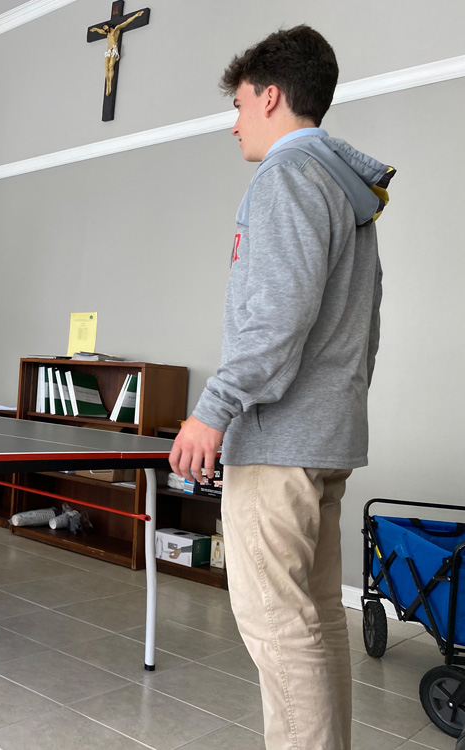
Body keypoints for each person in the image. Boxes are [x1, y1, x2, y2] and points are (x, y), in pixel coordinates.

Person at [169, 26, 395, 750]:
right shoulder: (345, 192)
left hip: (277, 447)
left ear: (271, 96)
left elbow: (272, 324)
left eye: (239, 104)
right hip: (325, 441)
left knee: (277, 626)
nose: (234, 122)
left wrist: (212, 412)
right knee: (317, 619)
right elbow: (362, 328)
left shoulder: (287, 178)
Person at [88, 9, 145, 96]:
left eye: (105, 27)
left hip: (114, 49)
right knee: (106, 67)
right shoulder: (107, 34)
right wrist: (95, 29)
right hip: (108, 51)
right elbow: (100, 31)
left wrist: (136, 15)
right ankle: (107, 83)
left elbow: (126, 22)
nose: (104, 29)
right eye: (103, 28)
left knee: (111, 66)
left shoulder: (116, 30)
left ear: (108, 26)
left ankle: (110, 83)